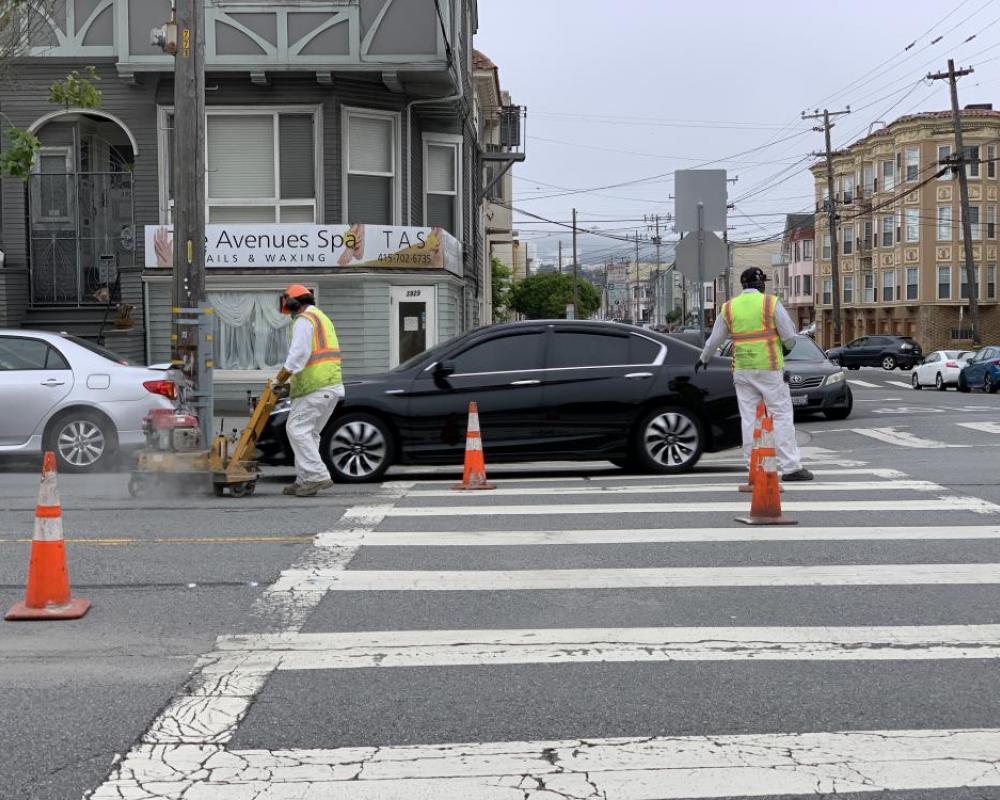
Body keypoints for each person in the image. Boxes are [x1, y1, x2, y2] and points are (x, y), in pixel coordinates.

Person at [695, 267, 813, 482]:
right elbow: (789, 335)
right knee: (781, 416)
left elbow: (715, 339)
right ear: (761, 284)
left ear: (743, 285)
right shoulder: (770, 303)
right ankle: (791, 467)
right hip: (769, 367)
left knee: (749, 419)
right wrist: (786, 347)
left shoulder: (729, 307)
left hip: (742, 369)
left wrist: (703, 358)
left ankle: (754, 468)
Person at [274, 284, 344, 496]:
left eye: (289, 304)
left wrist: (281, 378)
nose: (289, 311)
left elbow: (299, 354)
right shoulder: (321, 317)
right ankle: (305, 479)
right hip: (329, 386)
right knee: (309, 433)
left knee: (296, 429)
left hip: (315, 386)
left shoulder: (305, 320)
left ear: (295, 302)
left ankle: (316, 476)